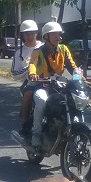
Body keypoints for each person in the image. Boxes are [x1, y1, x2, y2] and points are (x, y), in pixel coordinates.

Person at [27, 21, 81, 149]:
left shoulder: (64, 49)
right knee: (41, 102)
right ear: (46, 36)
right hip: (43, 86)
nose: (59, 37)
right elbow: (32, 64)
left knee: (72, 102)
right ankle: (36, 134)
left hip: (58, 86)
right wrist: (33, 74)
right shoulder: (38, 51)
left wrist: (82, 77)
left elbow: (73, 67)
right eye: (55, 34)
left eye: (60, 34)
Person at [10, 20, 42, 136]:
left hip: (47, 81)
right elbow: (14, 74)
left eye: (32, 33)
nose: (29, 36)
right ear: (23, 35)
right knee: (28, 93)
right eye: (26, 34)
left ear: (36, 33)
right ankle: (24, 123)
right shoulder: (19, 53)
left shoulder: (44, 47)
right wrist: (28, 69)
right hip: (30, 83)